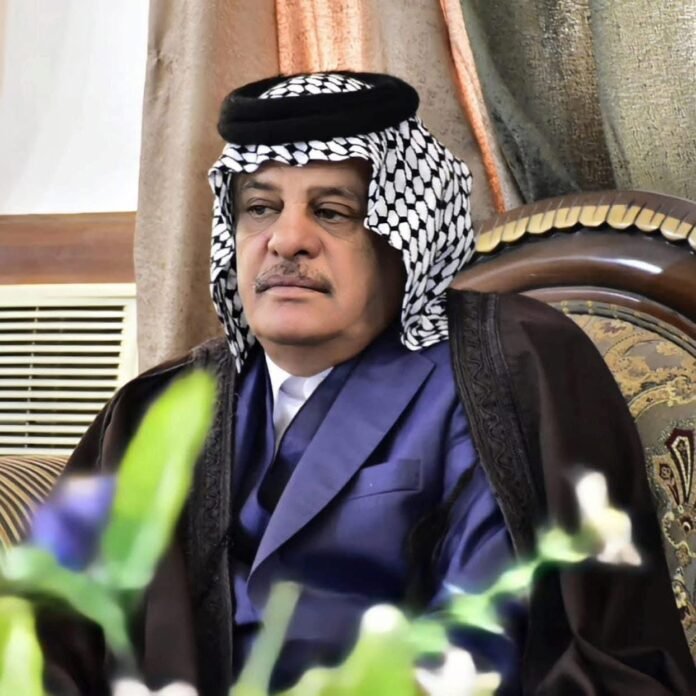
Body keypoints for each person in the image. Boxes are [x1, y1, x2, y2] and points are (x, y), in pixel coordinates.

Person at [43, 72, 695, 695]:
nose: (286, 241)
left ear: (404, 236)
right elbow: (48, 639)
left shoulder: (505, 368)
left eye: (332, 212)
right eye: (260, 208)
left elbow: (509, 640)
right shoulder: (156, 407)